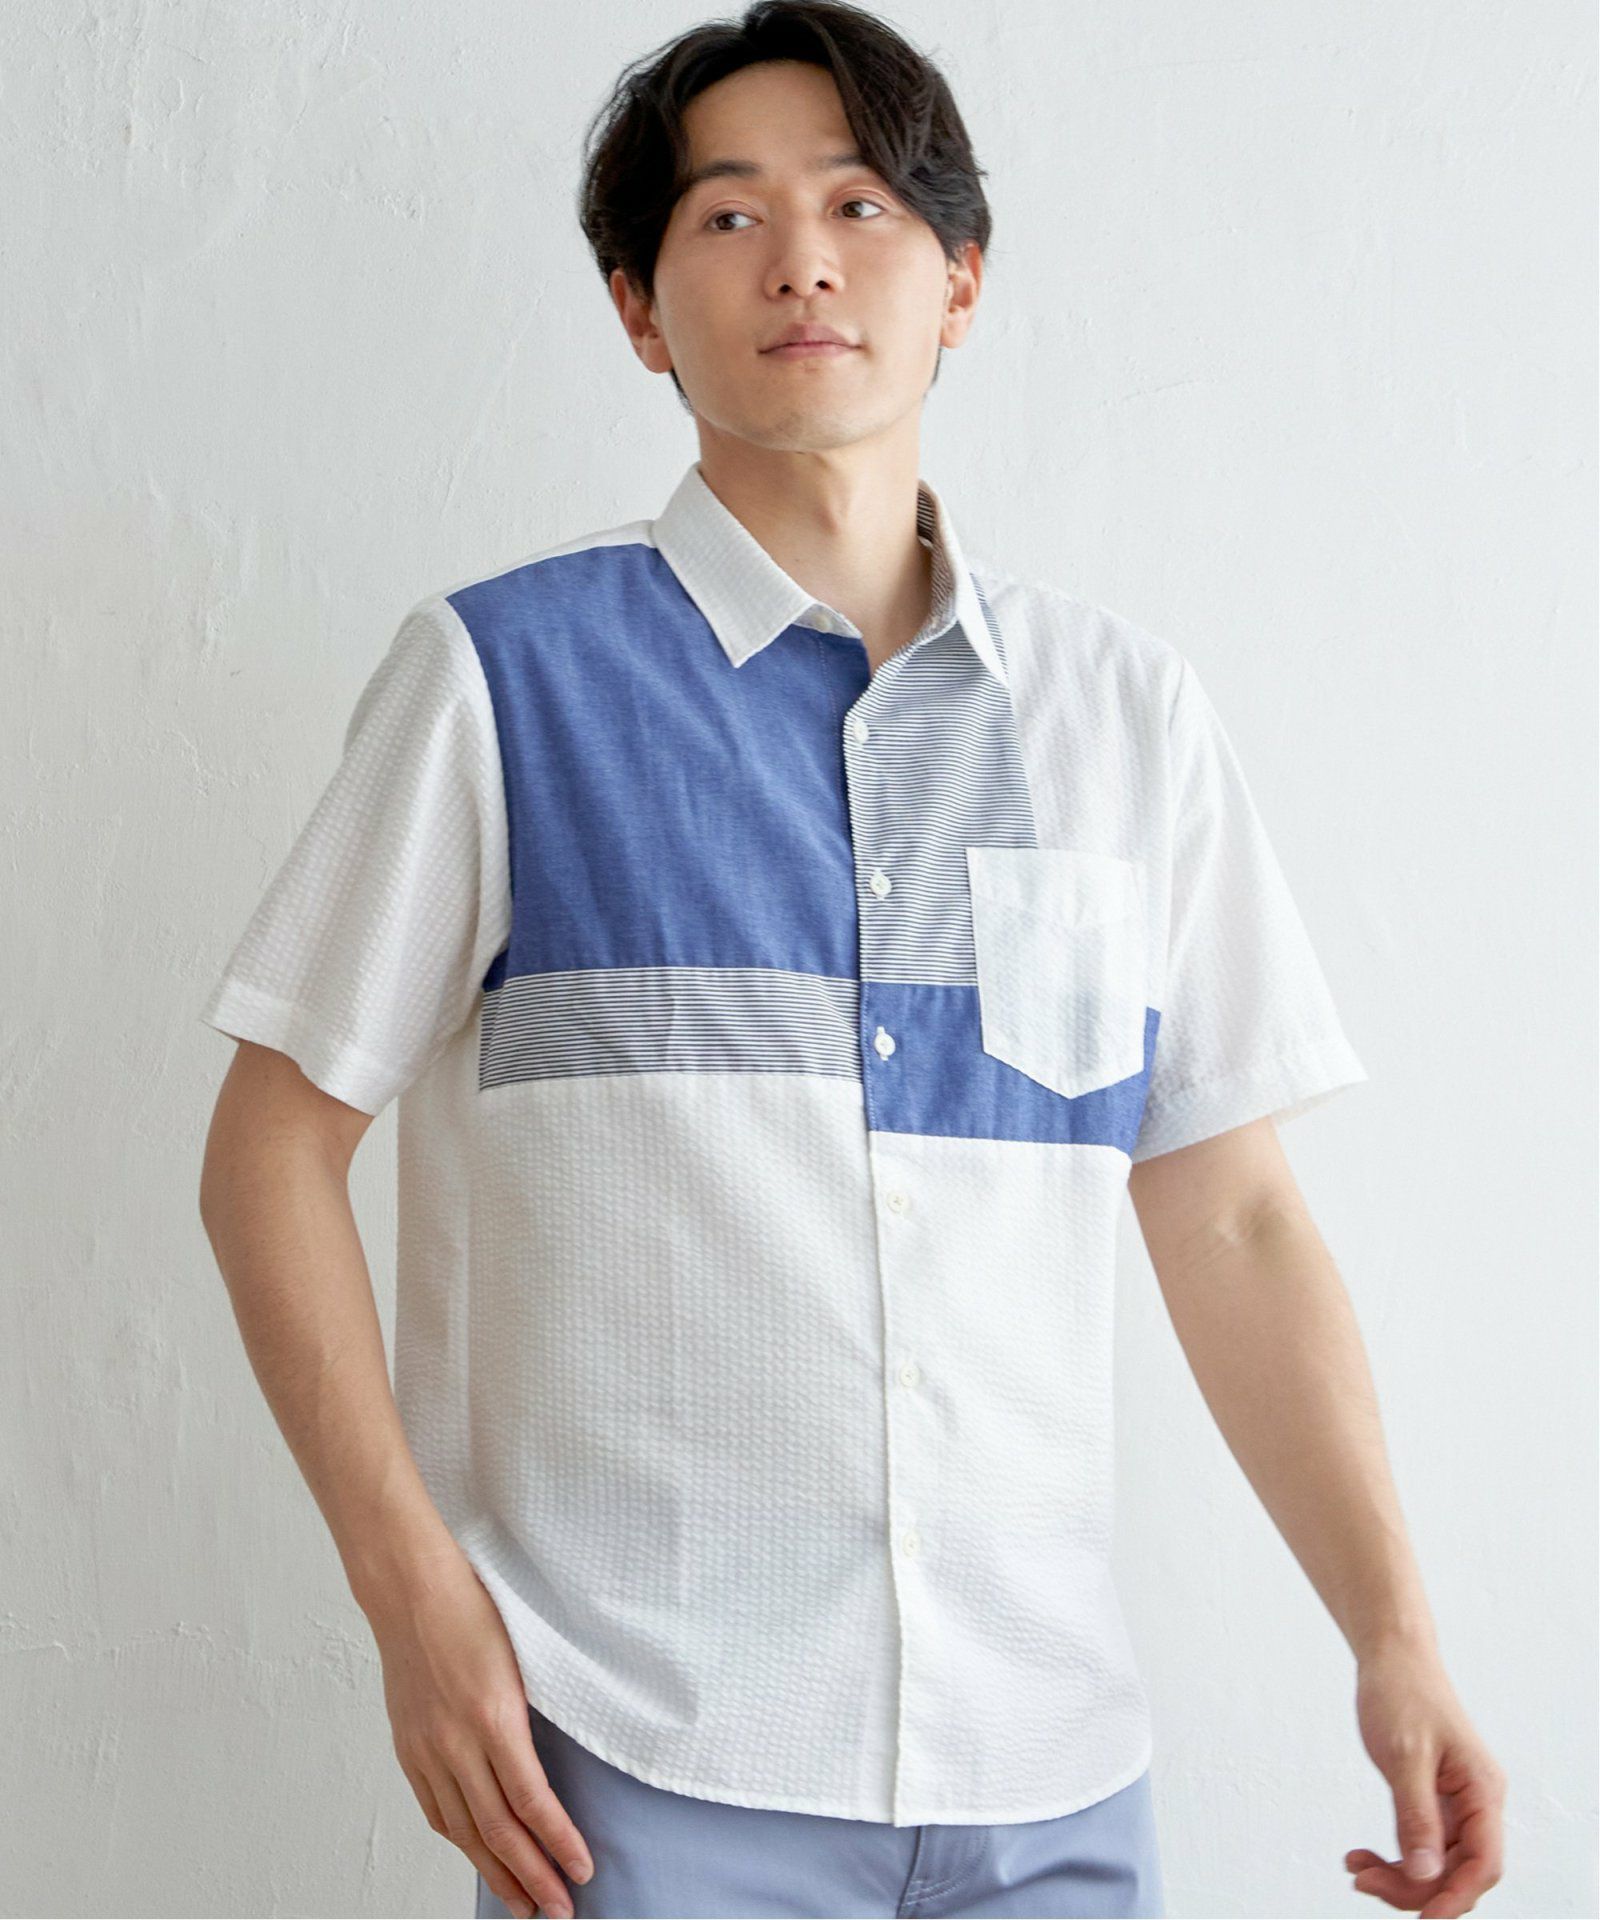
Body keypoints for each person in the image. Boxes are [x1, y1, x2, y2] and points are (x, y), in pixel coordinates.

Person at [196, 5, 1507, 1917]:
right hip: (640, 1761)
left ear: (960, 279)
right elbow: (268, 1149)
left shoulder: (1124, 718)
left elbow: (1232, 1215)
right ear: (640, 310)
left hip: (1051, 1777)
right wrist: (410, 1595)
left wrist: (1395, 1634)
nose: (801, 259)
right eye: (727, 217)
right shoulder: (499, 681)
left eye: (861, 204)